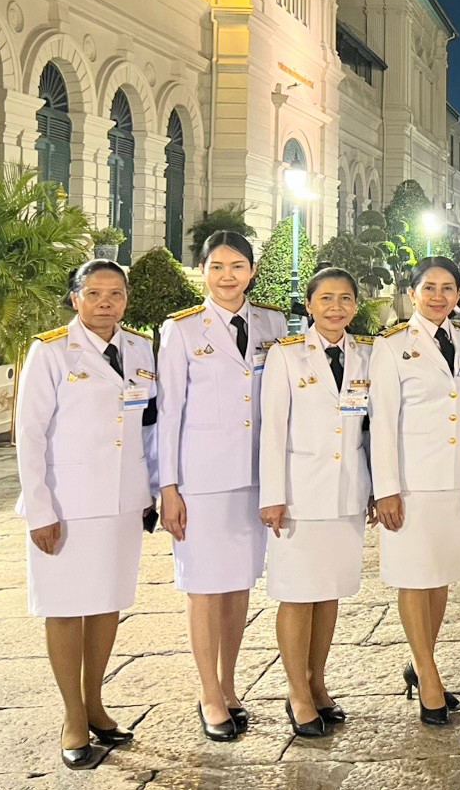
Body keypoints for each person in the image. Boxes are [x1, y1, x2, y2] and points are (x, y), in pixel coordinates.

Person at [16, 261, 157, 769]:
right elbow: (29, 435)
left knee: (106, 603)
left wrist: (153, 489)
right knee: (65, 606)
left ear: (126, 299)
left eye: (115, 294)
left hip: (122, 499)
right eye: (94, 293)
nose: (105, 302)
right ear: (75, 298)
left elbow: (147, 426)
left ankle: (95, 701)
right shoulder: (51, 350)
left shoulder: (140, 348)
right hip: (68, 501)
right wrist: (39, 509)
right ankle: (72, 714)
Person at [156, 232, 286, 740]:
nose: (227, 275)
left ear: (252, 271)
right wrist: (168, 486)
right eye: (217, 266)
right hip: (202, 480)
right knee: (203, 589)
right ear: (203, 272)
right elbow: (169, 413)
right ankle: (209, 693)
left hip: (254, 477)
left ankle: (230, 685)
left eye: (237, 266)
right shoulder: (182, 329)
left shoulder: (272, 323)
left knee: (237, 586)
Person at [260, 268, 373, 737]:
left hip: (347, 489)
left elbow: (372, 427)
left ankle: (319, 682)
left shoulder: (366, 354)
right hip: (300, 491)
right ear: (308, 305)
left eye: (345, 299)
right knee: (297, 593)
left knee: (328, 593)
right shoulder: (286, 356)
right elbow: (272, 427)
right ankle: (297, 692)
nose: (336, 307)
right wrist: (272, 495)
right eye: (326, 299)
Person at [370, 257, 460, 725]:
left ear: (459, 295)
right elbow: (381, 422)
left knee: (440, 576)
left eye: (448, 288)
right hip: (412, 481)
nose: (439, 296)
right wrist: (386, 489)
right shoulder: (393, 344)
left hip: (455, 479)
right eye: (429, 287)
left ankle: (421, 662)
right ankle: (429, 675)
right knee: (415, 576)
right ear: (412, 293)